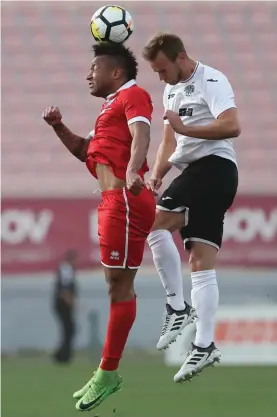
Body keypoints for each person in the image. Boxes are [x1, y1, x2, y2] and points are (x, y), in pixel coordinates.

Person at [42, 43, 155, 411]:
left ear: (116, 73)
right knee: (118, 286)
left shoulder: (133, 94)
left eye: (94, 68)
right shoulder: (108, 111)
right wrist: (59, 127)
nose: (88, 75)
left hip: (124, 198)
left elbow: (143, 134)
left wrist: (132, 170)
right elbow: (84, 151)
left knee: (119, 287)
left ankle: (108, 372)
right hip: (114, 201)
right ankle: (107, 369)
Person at [142, 33, 240, 382]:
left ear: (181, 57)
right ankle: (204, 343)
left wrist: (188, 127)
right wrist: (156, 175)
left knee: (152, 224)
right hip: (200, 173)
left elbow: (232, 125)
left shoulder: (211, 80)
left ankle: (177, 307)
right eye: (156, 71)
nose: (160, 77)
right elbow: (170, 140)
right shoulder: (170, 89)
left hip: (213, 167)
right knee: (200, 260)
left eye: (163, 68)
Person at [53, 250, 77, 364]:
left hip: (63, 303)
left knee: (68, 329)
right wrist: (71, 303)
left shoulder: (65, 269)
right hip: (63, 304)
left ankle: (62, 354)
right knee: (69, 329)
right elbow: (64, 289)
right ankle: (63, 356)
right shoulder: (66, 270)